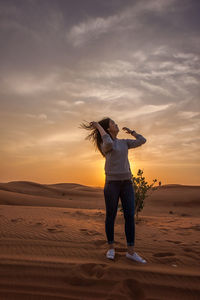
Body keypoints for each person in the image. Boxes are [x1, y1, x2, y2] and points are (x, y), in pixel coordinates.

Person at [80, 117, 147, 263]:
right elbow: (109, 141)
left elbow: (143, 140)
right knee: (111, 215)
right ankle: (111, 248)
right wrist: (98, 126)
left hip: (127, 184)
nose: (116, 125)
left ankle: (131, 252)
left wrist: (132, 132)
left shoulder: (124, 143)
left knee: (129, 215)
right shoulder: (106, 145)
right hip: (112, 184)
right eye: (113, 124)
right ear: (108, 129)